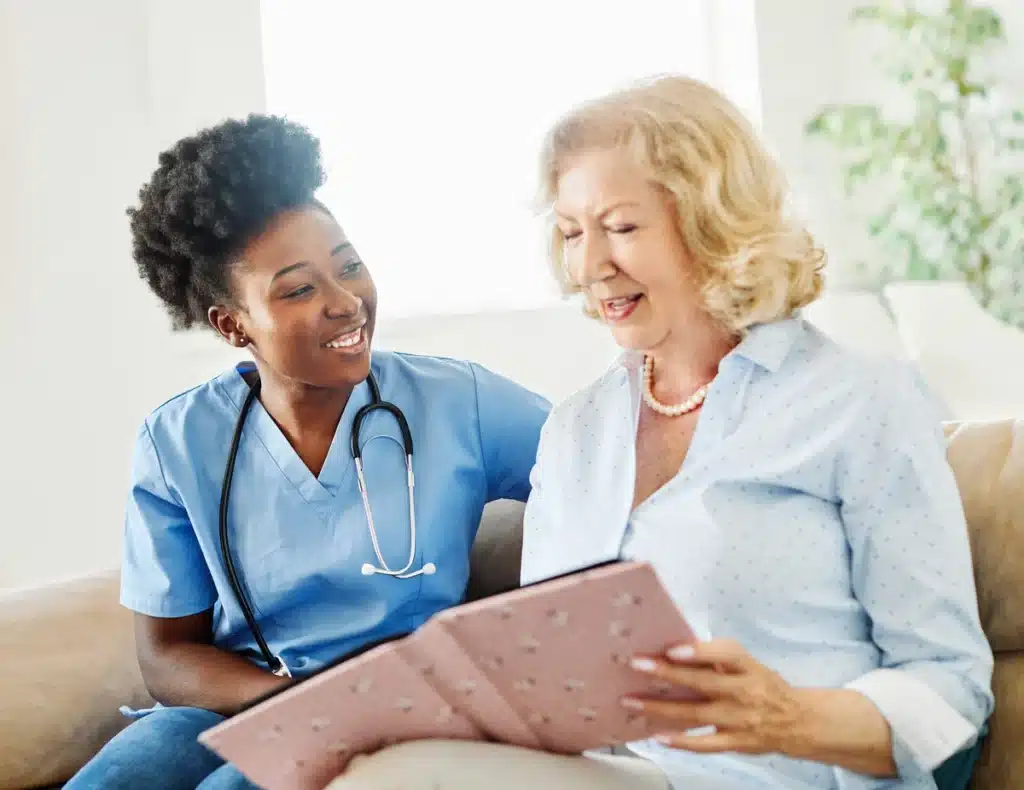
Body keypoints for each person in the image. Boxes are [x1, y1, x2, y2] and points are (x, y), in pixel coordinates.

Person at [327, 76, 994, 790]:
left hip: (776, 778)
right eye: (572, 232)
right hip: (605, 774)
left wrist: (789, 716)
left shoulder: (862, 402)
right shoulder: (577, 430)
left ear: (716, 222)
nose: (588, 266)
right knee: (375, 767)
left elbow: (951, 690)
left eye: (620, 226)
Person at [64, 114, 550, 789]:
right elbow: (168, 656)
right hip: (251, 700)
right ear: (234, 325)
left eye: (348, 267)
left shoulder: (457, 400)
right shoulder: (178, 442)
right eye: (298, 289)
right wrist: (283, 702)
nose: (346, 301)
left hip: (401, 710)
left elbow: (601, 470)